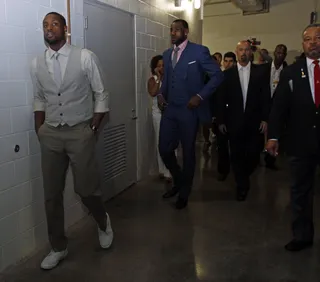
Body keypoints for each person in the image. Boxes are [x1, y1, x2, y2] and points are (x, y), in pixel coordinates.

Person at [31, 12, 113, 269]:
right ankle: (58, 246)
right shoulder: (37, 63)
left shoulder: (85, 57)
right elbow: (39, 98)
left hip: (80, 131)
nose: (49, 28)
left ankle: (102, 221)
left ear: (65, 28)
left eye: (54, 23)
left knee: (87, 189)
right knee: (51, 194)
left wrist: (94, 126)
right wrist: (40, 129)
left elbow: (101, 93)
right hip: (51, 134)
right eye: (45, 25)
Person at [158, 19, 223, 209]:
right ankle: (179, 180)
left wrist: (200, 96)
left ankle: (184, 192)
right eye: (171, 30)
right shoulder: (168, 54)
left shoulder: (199, 51)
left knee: (188, 154)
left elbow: (218, 76)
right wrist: (161, 93)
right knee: (164, 149)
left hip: (189, 110)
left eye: (177, 30)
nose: (173, 33)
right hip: (170, 109)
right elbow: (167, 80)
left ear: (186, 32)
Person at [266, 24, 320, 252]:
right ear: (303, 44)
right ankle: (302, 235)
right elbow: (279, 108)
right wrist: (274, 136)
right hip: (300, 141)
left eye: (317, 38)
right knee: (300, 191)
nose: (313, 42)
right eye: (308, 39)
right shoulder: (291, 73)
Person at [216, 40, 269, 201]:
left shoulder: (260, 72)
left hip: (254, 123)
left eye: (246, 50)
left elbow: (266, 97)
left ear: (250, 52)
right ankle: (242, 185)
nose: (244, 52)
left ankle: (244, 175)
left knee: (253, 155)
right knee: (237, 155)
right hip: (234, 122)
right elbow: (220, 99)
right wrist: (221, 121)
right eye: (241, 50)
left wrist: (265, 119)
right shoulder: (227, 75)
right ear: (236, 52)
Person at [262, 44, 287, 170]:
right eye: (278, 52)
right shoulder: (264, 69)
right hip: (263, 105)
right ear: (274, 53)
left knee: (274, 133)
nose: (280, 55)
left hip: (278, 106)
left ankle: (270, 160)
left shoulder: (288, 70)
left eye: (282, 53)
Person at [147, 55, 172, 182]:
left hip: (170, 113)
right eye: (159, 65)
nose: (162, 68)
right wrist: (159, 78)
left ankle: (170, 170)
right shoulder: (153, 80)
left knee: (170, 141)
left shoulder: (171, 78)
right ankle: (162, 169)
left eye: (163, 65)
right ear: (155, 67)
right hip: (157, 114)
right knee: (159, 140)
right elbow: (153, 93)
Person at [212, 52, 236, 181]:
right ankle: (223, 170)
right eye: (225, 61)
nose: (228, 63)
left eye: (230, 61)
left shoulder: (239, 77)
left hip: (236, 117)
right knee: (222, 146)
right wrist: (217, 118)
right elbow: (216, 99)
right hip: (222, 117)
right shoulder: (220, 77)